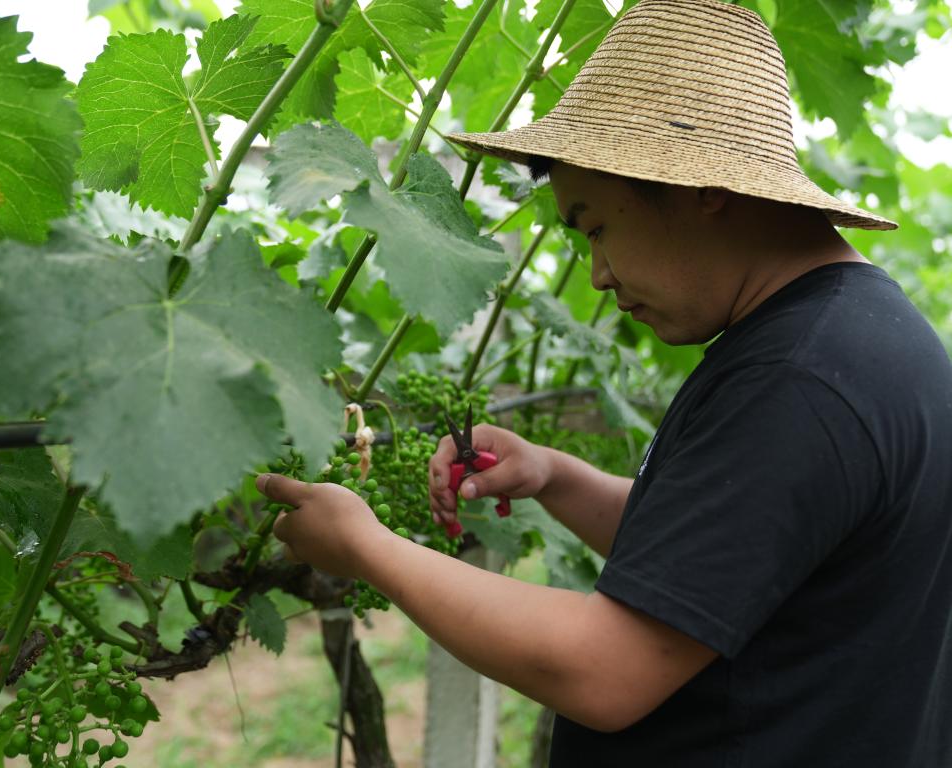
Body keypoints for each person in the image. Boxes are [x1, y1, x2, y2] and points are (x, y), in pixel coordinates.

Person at [257, 0, 952, 764]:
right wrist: (556, 476)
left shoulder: (800, 379)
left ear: (698, 188)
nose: (596, 273)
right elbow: (721, 560)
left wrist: (366, 548)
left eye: (594, 226)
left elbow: (602, 671)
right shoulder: (851, 337)